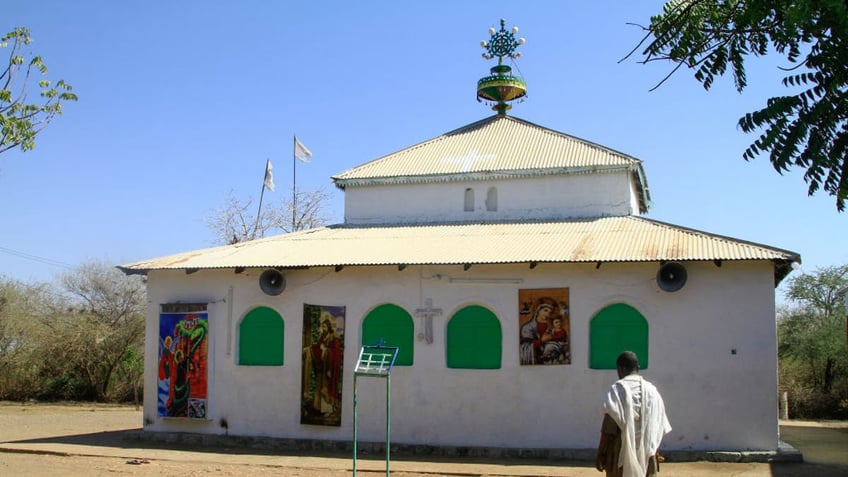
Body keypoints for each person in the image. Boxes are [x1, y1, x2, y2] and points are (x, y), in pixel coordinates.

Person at [595, 351, 671, 477]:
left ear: (620, 369)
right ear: (638, 368)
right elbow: (658, 428)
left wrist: (600, 454)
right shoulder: (653, 392)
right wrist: (654, 451)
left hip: (620, 454)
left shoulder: (617, 391)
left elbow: (608, 429)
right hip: (648, 455)